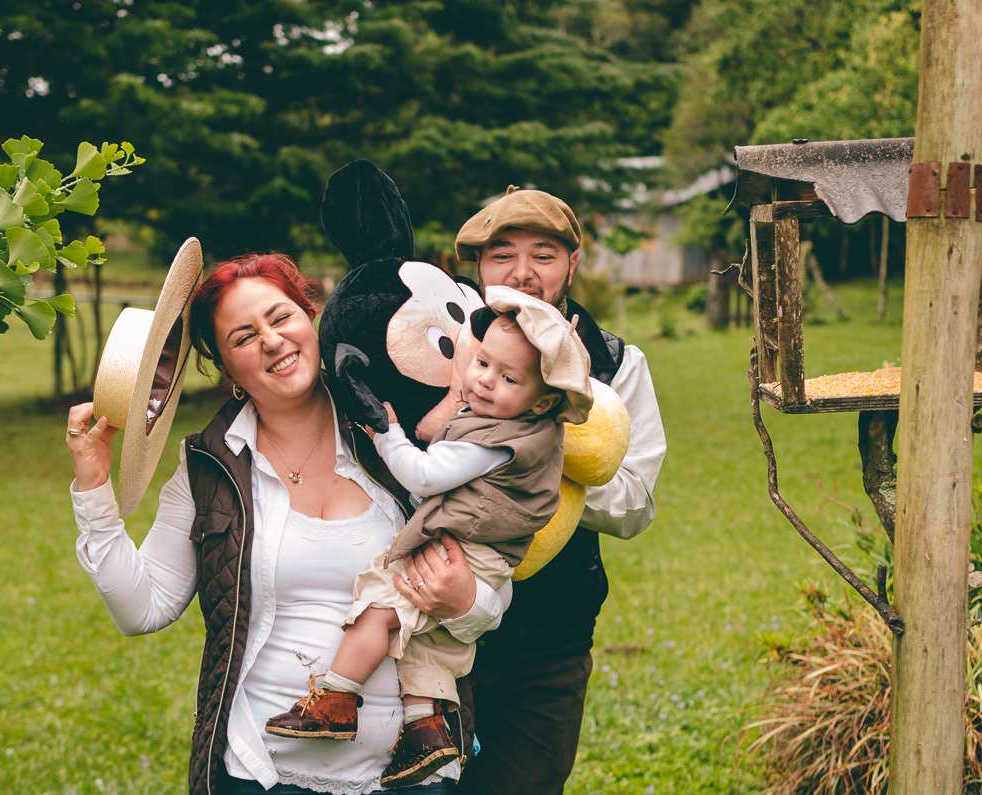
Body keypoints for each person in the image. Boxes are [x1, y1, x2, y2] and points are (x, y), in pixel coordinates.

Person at [65, 253, 507, 795]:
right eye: (243, 337)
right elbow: (142, 609)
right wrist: (93, 487)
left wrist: (464, 601)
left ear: (312, 316)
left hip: (410, 771)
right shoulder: (209, 464)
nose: (272, 341)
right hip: (261, 771)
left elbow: (486, 597)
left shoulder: (400, 435)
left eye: (281, 318)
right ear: (225, 368)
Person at [265, 288, 592, 789]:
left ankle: (334, 699)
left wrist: (386, 431)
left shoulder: (497, 441)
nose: (484, 381)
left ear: (543, 400)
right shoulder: (527, 430)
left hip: (460, 553)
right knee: (424, 644)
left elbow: (422, 474)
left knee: (379, 606)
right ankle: (425, 729)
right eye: (481, 362)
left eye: (508, 378)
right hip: (483, 555)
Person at [399, 187, 667, 795]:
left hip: (549, 644)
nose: (522, 272)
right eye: (502, 255)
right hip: (426, 622)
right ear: (476, 267)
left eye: (543, 254)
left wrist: (533, 467)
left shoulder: (617, 366)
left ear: (573, 263)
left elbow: (635, 504)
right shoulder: (438, 351)